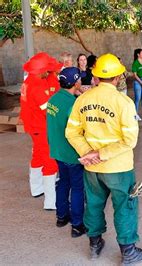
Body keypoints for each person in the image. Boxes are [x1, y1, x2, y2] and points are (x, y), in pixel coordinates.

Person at [66, 54, 142, 264]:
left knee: (94, 205)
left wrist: (89, 153)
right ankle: (128, 252)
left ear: (95, 77)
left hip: (92, 169)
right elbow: (129, 140)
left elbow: (72, 133)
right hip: (118, 168)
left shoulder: (83, 99)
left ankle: (95, 245)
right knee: (125, 206)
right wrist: (101, 154)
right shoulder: (124, 102)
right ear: (117, 78)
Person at [46, 67, 87, 237]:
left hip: (56, 151)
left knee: (63, 182)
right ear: (75, 82)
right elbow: (78, 131)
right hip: (71, 153)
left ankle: (61, 217)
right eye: (80, 80)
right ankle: (77, 225)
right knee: (78, 188)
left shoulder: (53, 99)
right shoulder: (73, 105)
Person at [20, 52, 60, 210]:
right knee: (50, 162)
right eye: (47, 70)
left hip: (33, 127)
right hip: (41, 127)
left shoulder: (29, 80)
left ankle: (36, 188)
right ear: (41, 70)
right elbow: (48, 110)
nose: (48, 72)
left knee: (37, 156)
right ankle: (51, 201)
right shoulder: (37, 86)